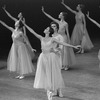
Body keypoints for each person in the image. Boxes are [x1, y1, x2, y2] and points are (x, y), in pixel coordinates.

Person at [22, 20, 79, 100]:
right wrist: (25, 24)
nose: (45, 29)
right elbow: (32, 31)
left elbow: (62, 43)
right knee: (46, 74)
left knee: (52, 74)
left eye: (46, 28)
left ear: (48, 31)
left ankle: (52, 91)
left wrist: (73, 46)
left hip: (51, 58)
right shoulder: (41, 37)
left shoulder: (53, 39)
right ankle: (49, 91)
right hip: (43, 58)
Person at [42, 6, 76, 70]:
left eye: (60, 14)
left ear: (63, 16)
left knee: (65, 51)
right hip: (58, 37)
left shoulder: (66, 23)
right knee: (60, 51)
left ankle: (66, 65)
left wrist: (69, 40)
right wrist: (44, 12)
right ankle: (62, 64)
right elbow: (50, 17)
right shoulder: (58, 22)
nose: (59, 15)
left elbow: (67, 32)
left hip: (64, 37)